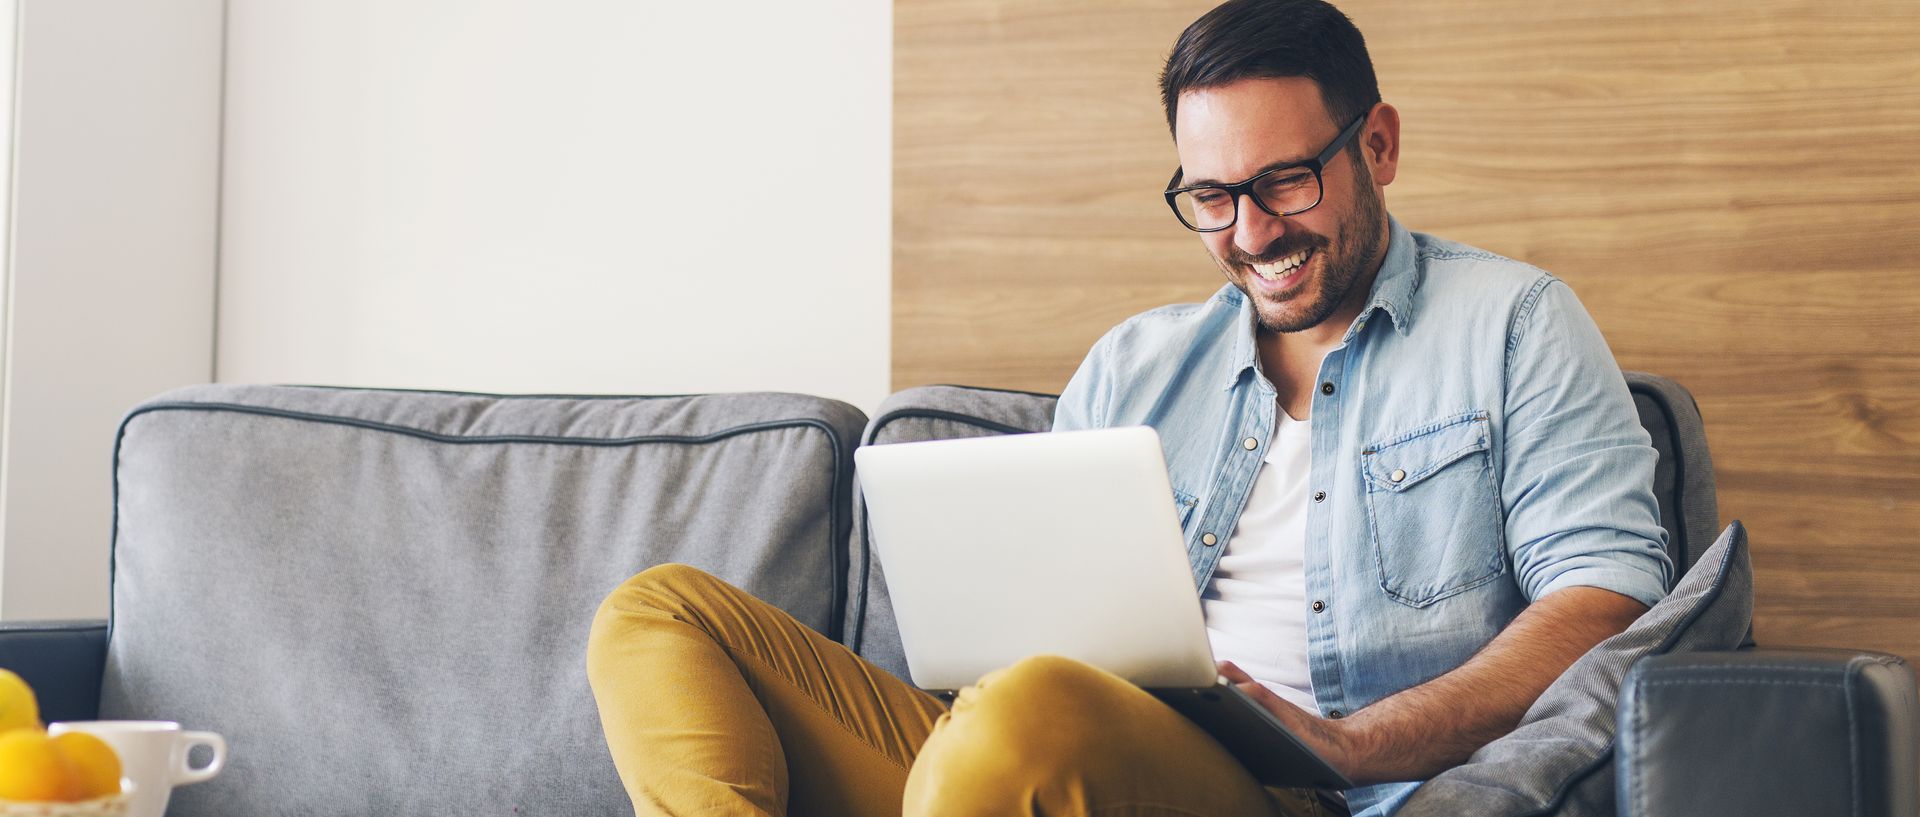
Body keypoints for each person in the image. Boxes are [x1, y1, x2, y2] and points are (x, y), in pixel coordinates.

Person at [585, 0, 1673, 814]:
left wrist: (1352, 742)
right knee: (659, 615)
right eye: (1210, 197)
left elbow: (1609, 596)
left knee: (1023, 718)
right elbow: (1021, 649)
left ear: (1377, 145)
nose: (1251, 233)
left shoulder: (1515, 324)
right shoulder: (1134, 365)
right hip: (1037, 755)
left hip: (1299, 790)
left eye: (1286, 180)